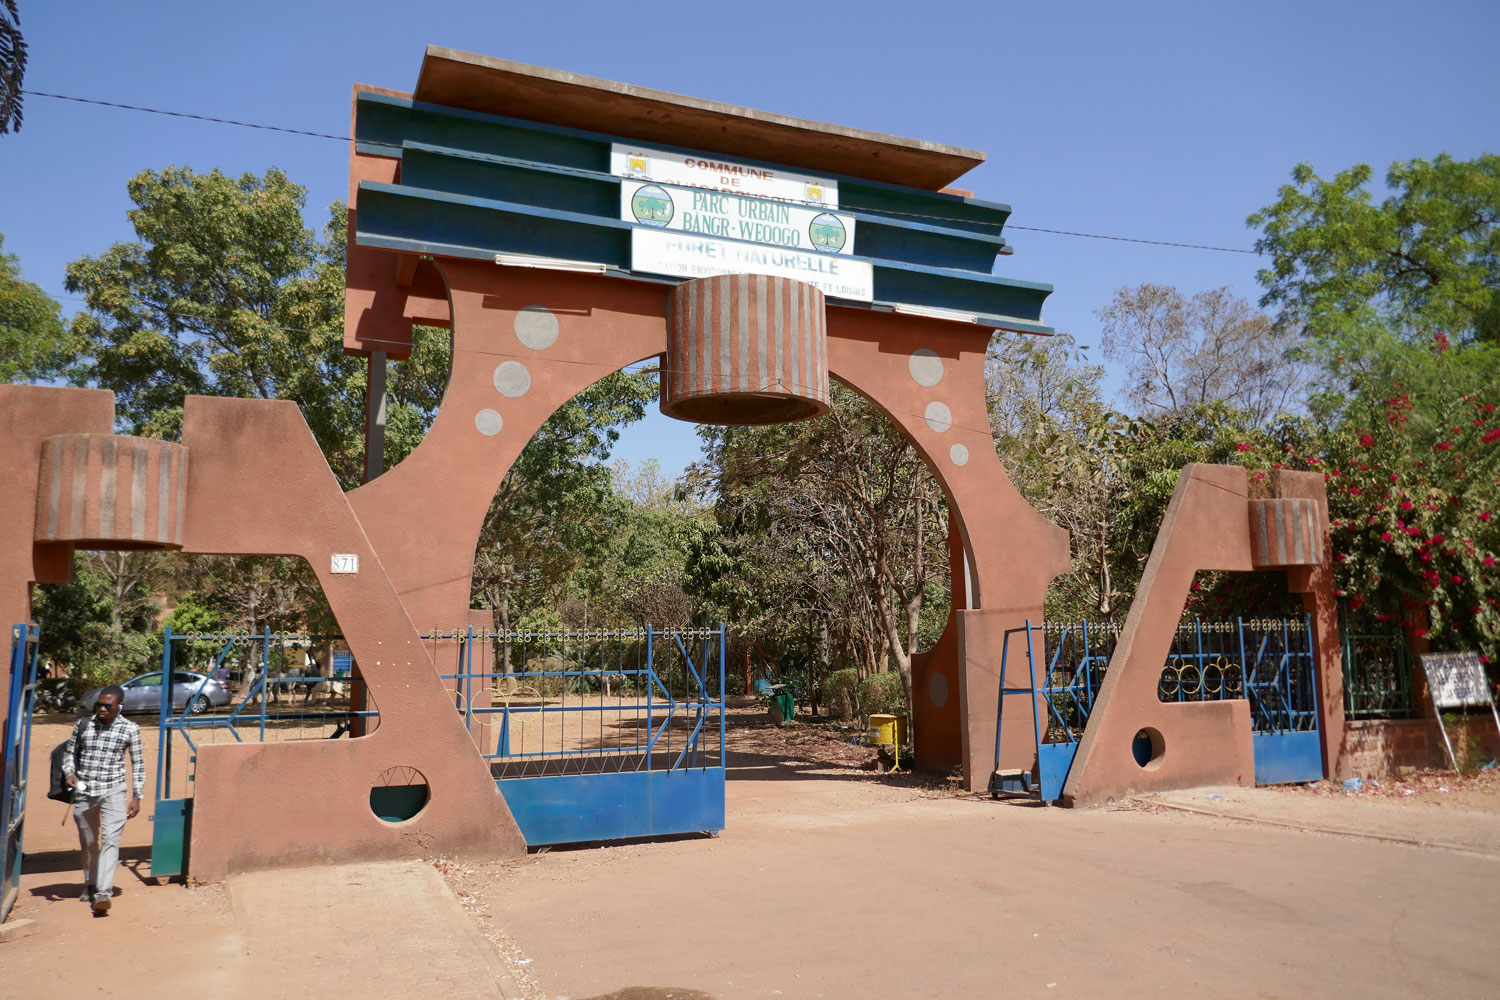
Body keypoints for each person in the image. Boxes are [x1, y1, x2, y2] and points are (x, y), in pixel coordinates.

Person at [62, 685, 144, 916]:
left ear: (120, 706)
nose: (101, 709)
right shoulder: (83, 724)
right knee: (89, 842)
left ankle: (104, 892)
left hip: (114, 791)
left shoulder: (131, 729)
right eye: (98, 705)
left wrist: (137, 795)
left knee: (110, 839)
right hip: (85, 792)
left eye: (107, 706)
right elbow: (69, 753)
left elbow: (138, 763)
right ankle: (90, 883)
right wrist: (69, 773)